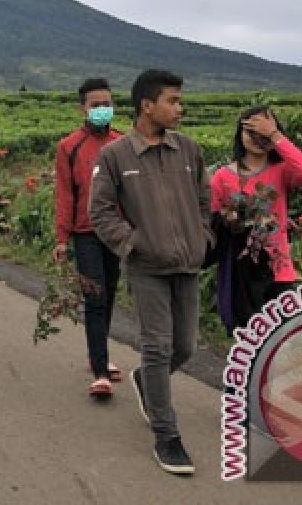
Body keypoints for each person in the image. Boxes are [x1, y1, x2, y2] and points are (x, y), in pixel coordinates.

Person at [89, 69, 213, 476]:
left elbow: (203, 200)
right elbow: (101, 211)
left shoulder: (189, 151)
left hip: (188, 264)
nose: (180, 108)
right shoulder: (116, 156)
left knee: (185, 348)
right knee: (158, 347)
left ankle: (147, 381)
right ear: (147, 105)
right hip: (147, 268)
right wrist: (133, 244)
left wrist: (204, 237)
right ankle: (166, 434)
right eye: (172, 101)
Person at [210, 106, 302, 332]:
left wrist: (275, 135)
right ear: (240, 134)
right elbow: (211, 220)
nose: (258, 139)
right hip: (242, 273)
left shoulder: (281, 171)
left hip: (279, 270)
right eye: (251, 132)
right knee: (248, 342)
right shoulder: (223, 177)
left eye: (263, 133)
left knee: (281, 342)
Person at [53, 78, 125, 399]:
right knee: (94, 297)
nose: (102, 110)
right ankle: (100, 371)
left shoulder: (124, 144)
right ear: (82, 107)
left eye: (106, 104)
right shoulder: (69, 146)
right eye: (96, 105)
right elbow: (65, 194)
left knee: (108, 295)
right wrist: (61, 237)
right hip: (85, 234)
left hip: (117, 233)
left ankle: (100, 357)